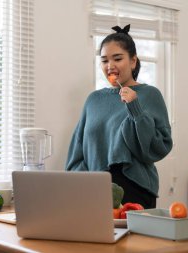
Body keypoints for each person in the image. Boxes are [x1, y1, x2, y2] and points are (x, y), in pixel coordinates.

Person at [65, 24, 173, 209]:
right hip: (94, 190)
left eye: (117, 58)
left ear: (133, 61)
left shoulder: (149, 95)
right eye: (104, 60)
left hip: (135, 189)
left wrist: (135, 107)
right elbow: (78, 151)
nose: (110, 66)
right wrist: (84, 184)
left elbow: (158, 148)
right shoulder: (93, 100)